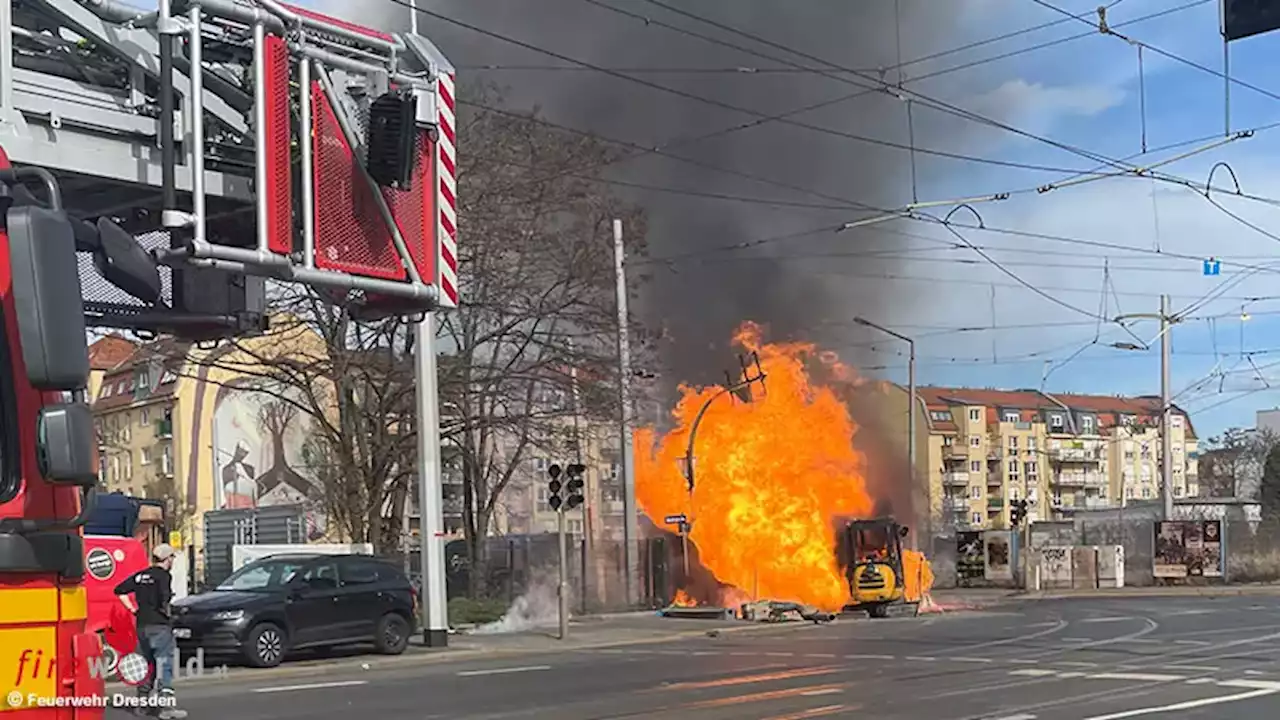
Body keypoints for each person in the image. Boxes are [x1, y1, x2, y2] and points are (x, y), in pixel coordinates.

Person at [114, 544, 187, 719]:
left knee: (146, 666)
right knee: (164, 664)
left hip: (142, 626)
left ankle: (142, 704)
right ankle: (166, 707)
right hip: (159, 625)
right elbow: (164, 599)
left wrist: (133, 609)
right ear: (167, 558)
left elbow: (119, 590)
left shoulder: (141, 575)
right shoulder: (164, 576)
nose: (172, 562)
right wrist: (170, 614)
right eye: (172, 558)